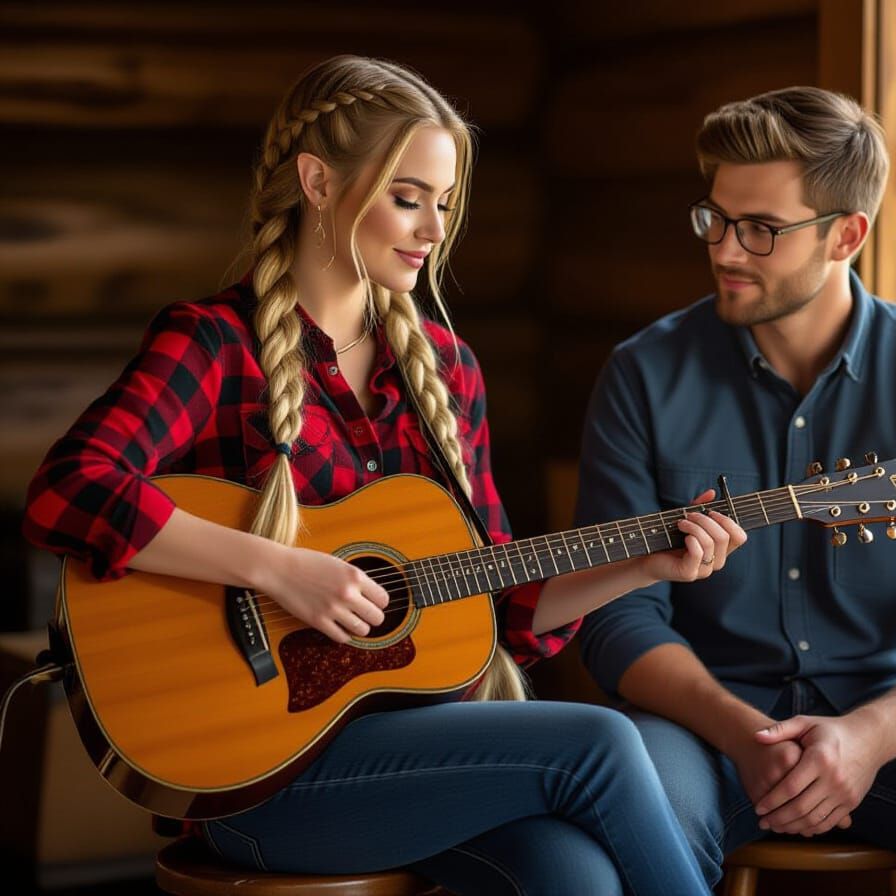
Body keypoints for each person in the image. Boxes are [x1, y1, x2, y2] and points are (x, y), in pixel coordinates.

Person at [21, 55, 746, 896]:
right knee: (601, 743)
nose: (434, 230)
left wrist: (649, 563)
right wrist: (280, 567)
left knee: (574, 874)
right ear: (319, 183)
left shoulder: (445, 368)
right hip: (260, 781)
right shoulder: (214, 344)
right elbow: (68, 488)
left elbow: (500, 604)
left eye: (444, 204)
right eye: (408, 198)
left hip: (418, 758)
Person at [575, 86, 896, 894]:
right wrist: (742, 732)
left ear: (849, 234)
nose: (727, 251)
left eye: (762, 230)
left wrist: (871, 735)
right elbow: (613, 614)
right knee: (637, 809)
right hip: (701, 723)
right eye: (716, 218)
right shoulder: (644, 376)